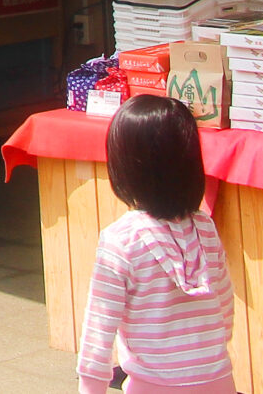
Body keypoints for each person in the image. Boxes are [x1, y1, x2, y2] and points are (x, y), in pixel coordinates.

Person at [76, 95, 236, 394]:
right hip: (217, 379)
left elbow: (98, 331)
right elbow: (225, 306)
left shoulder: (120, 240)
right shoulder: (205, 227)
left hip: (152, 385)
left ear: (124, 167)